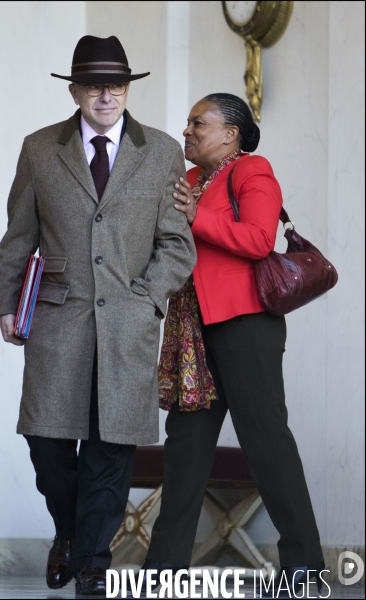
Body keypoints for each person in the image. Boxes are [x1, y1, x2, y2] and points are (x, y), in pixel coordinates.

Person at [0, 35, 196, 597]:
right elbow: (18, 236)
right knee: (48, 441)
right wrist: (6, 305)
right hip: (57, 319)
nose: (106, 95)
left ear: (127, 89)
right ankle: (71, 533)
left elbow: (177, 245)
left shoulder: (160, 152)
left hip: (128, 323)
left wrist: (149, 299)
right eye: (94, 84)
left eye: (116, 84)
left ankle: (92, 563)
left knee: (111, 447)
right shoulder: (39, 149)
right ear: (76, 90)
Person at [140, 93, 325, 598]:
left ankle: (304, 565)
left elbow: (260, 240)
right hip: (193, 331)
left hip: (245, 325)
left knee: (265, 441)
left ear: (231, 133)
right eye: (187, 123)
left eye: (199, 123)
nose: (187, 131)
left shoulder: (251, 170)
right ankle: (163, 569)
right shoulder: (193, 181)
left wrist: (197, 215)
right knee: (185, 449)